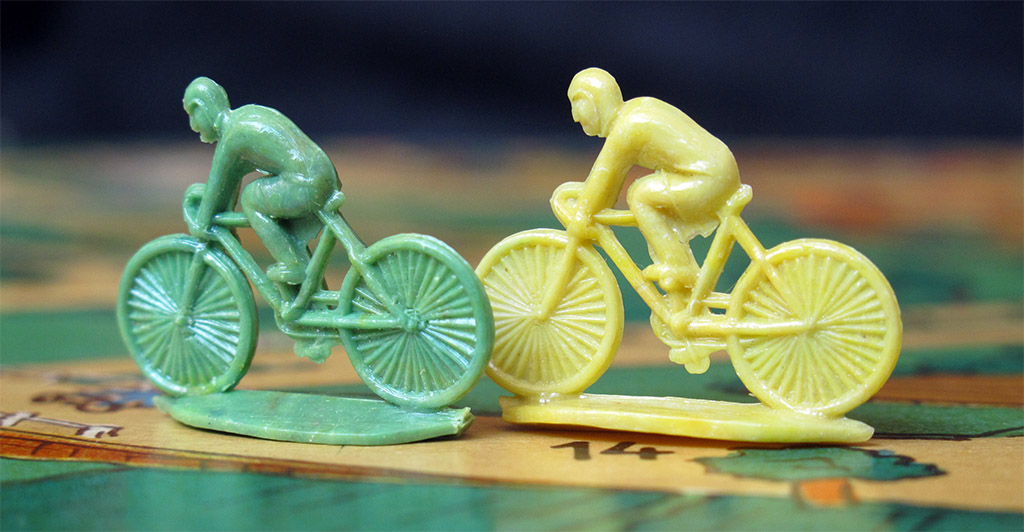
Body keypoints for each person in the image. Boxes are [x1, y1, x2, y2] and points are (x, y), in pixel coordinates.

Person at [567, 68, 741, 292]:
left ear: (594, 102)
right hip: (719, 168)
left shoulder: (627, 128)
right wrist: (588, 202)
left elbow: (604, 176)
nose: (575, 116)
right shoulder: (636, 108)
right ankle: (679, 269)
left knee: (640, 196)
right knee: (644, 191)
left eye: (577, 102)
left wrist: (582, 214)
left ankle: (678, 266)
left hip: (708, 178)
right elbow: (605, 186)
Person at [183, 77, 340, 284]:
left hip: (305, 183)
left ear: (201, 108)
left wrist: (201, 224)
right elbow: (228, 184)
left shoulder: (232, 137)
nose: (193, 125)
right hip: (322, 175)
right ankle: (300, 274)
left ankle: (293, 264)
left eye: (192, 115)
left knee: (251, 199)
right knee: (262, 195)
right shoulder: (245, 115)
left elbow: (217, 187)